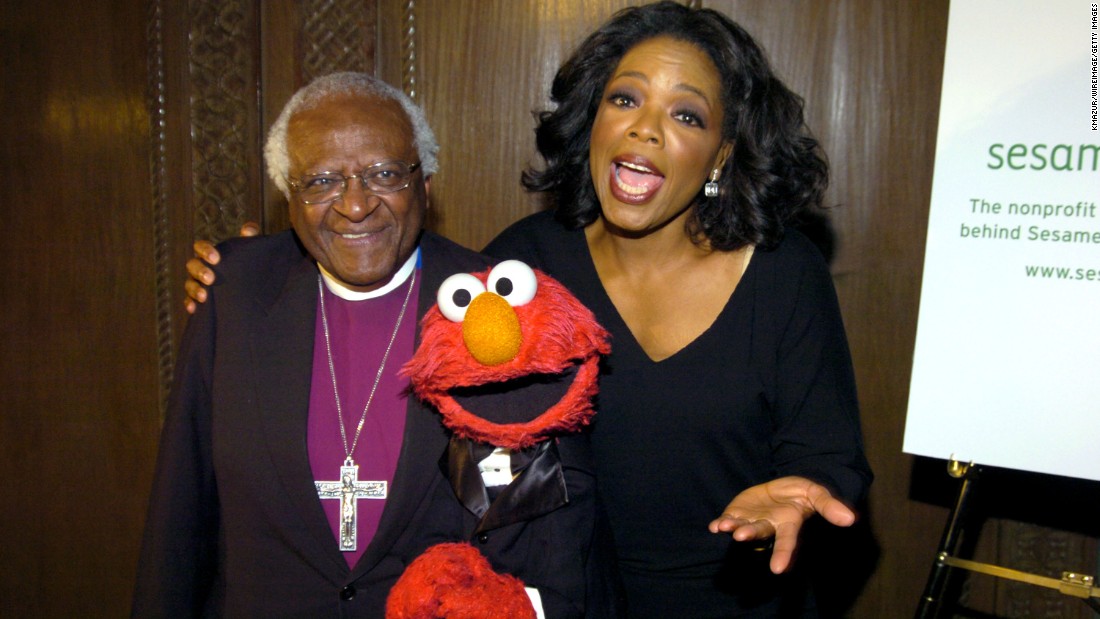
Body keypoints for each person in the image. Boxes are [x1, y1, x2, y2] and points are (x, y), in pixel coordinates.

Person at [186, 3, 872, 616]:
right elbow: (402, 312)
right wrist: (264, 275)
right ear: (593, 121)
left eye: (685, 114)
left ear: (721, 152)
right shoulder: (521, 270)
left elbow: (830, 457)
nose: (646, 129)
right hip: (568, 595)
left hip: (741, 599)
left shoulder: (783, 275)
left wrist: (804, 491)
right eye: (624, 99)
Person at [135, 72, 616, 618]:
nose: (355, 205)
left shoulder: (496, 308)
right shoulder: (236, 294)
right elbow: (181, 513)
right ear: (288, 199)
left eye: (384, 173)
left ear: (426, 185)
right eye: (321, 181)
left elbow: (541, 527)